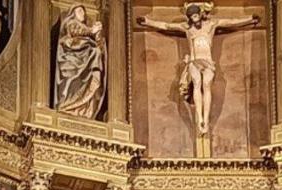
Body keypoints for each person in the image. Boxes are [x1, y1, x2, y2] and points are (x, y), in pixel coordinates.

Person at [135, 1, 260, 139]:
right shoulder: (188, 28)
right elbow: (166, 25)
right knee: (197, 83)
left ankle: (205, 120)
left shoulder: (211, 25)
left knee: (206, 85)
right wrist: (147, 22)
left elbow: (230, 22)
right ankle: (199, 117)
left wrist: (250, 19)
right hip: (194, 62)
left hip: (208, 62)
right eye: (192, 17)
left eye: (196, 16)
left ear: (200, 15)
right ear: (190, 18)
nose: (195, 20)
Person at [54, 3, 107, 118]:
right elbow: (77, 30)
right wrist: (92, 30)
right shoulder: (71, 23)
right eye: (79, 11)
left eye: (83, 12)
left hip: (87, 63)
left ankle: (84, 110)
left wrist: (97, 33)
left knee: (95, 54)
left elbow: (98, 44)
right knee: (72, 82)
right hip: (72, 60)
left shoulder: (87, 34)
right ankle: (68, 105)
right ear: (73, 14)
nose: (83, 14)